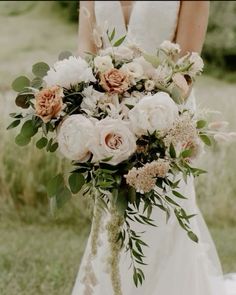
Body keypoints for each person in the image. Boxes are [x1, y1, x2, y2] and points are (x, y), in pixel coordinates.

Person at [72, 2, 228, 294]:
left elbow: (186, 69)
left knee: (165, 219)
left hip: (166, 122)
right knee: (112, 221)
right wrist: (93, 110)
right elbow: (86, 49)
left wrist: (143, 114)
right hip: (109, 125)